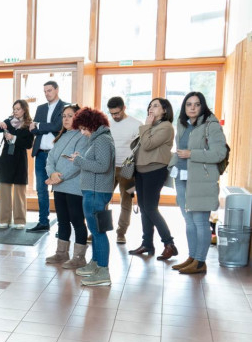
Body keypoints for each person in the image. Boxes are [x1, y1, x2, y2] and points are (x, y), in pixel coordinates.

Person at [169, 91, 227, 275]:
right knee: (189, 222)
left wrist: (191, 154)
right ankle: (192, 257)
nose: (192, 108)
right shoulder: (182, 123)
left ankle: (200, 262)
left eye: (197, 104)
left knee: (200, 222)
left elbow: (219, 154)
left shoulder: (211, 125)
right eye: (189, 104)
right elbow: (179, 149)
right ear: (184, 107)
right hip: (181, 177)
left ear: (203, 106)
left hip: (200, 180)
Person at [68, 108, 115, 286]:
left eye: (83, 128)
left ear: (91, 124)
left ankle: (103, 271)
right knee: (95, 230)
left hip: (96, 191)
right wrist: (81, 158)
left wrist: (79, 161)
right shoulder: (98, 138)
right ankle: (96, 264)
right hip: (93, 190)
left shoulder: (102, 139)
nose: (82, 132)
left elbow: (102, 166)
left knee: (98, 231)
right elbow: (97, 162)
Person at [129, 98, 177, 261]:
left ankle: (169, 244)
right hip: (140, 170)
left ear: (164, 110)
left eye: (156, 106)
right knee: (143, 208)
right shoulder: (152, 126)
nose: (151, 108)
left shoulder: (166, 127)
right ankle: (147, 244)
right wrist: (147, 127)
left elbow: (148, 145)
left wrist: (146, 126)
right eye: (150, 105)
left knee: (150, 208)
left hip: (155, 171)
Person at [44, 104, 89, 267]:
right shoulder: (61, 136)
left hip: (74, 187)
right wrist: (52, 174)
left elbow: (77, 163)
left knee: (77, 221)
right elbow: (50, 159)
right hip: (59, 186)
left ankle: (79, 257)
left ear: (78, 117)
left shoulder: (83, 136)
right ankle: (61, 253)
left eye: (70, 116)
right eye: (64, 116)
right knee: (62, 220)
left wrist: (58, 178)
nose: (66, 119)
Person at [0, 100, 34, 230]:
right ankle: (4, 220)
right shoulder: (8, 122)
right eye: (14, 109)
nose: (15, 111)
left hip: (20, 161)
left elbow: (28, 144)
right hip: (6, 160)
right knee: (4, 192)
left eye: (18, 109)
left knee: (19, 193)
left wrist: (14, 138)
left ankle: (19, 220)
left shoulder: (29, 125)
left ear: (24, 110)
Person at [28, 81, 66, 232]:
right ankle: (43, 222)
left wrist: (39, 126)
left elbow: (58, 126)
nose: (47, 93)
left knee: (59, 189)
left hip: (56, 155)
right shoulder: (41, 108)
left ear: (57, 90)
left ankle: (63, 226)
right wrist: (39, 127)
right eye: (45, 91)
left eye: (49, 90)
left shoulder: (65, 107)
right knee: (41, 189)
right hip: (40, 153)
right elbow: (33, 129)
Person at [106, 97, 140, 244]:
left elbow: (140, 149)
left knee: (126, 201)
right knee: (103, 199)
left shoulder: (136, 124)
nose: (115, 116)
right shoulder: (106, 124)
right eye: (112, 113)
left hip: (128, 167)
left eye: (117, 113)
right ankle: (99, 231)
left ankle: (121, 232)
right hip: (109, 167)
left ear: (124, 108)